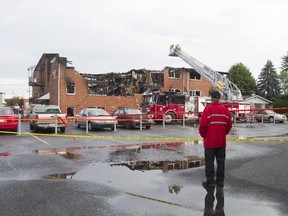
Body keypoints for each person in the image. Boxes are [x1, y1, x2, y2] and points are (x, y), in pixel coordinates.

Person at [199, 90, 232, 188]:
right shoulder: (225, 110)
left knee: (209, 162)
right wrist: (223, 133)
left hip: (210, 142)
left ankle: (210, 182)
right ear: (219, 98)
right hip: (221, 142)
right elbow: (229, 125)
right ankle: (220, 181)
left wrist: (204, 135)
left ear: (211, 98)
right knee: (221, 162)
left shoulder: (208, 109)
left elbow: (203, 126)